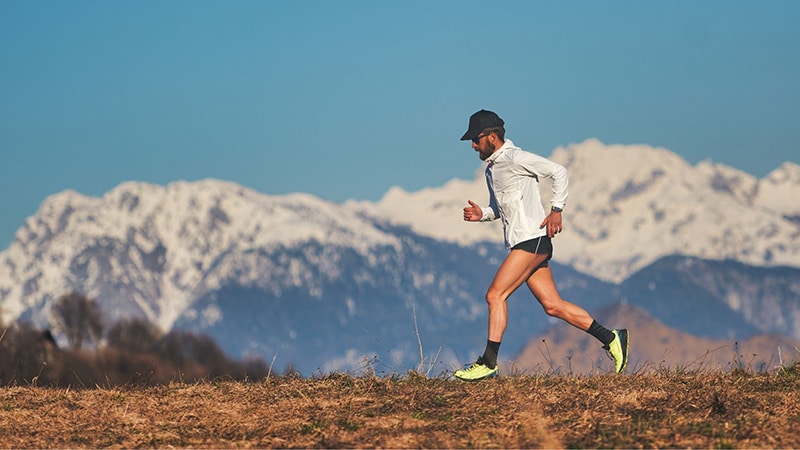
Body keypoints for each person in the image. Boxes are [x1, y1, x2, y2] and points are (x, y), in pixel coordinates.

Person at [453, 109, 629, 381]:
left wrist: (556, 209)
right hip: (526, 243)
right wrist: (483, 215)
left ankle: (488, 363)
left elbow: (558, 171)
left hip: (531, 241)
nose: (473, 145)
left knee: (494, 295)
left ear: (492, 137)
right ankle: (611, 337)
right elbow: (499, 208)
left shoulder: (515, 158)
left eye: (475, 140)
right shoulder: (492, 169)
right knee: (553, 306)